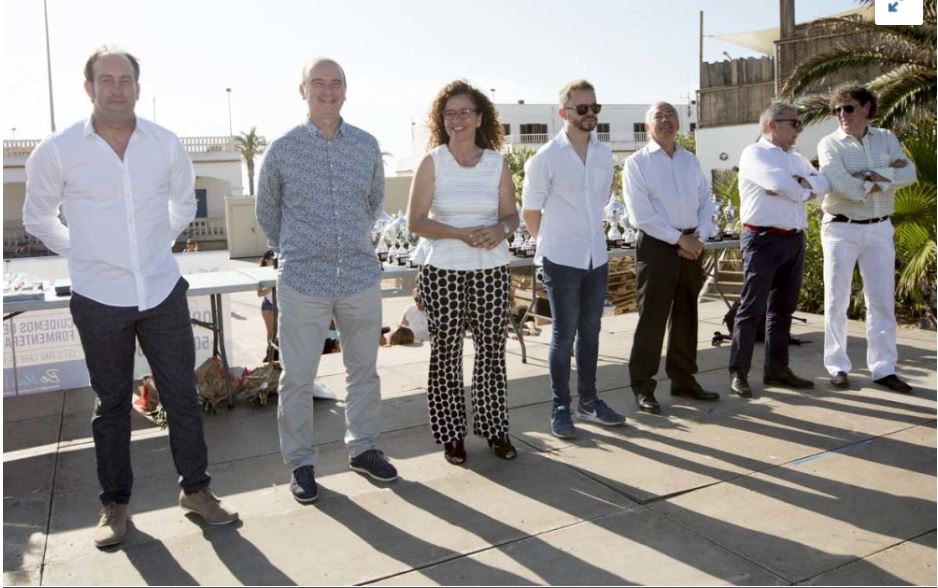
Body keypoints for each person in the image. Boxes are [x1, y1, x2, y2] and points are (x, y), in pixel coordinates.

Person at [22, 47, 238, 548]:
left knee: (182, 396)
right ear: (89, 88)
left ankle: (196, 491)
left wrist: (154, 245)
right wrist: (83, 251)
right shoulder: (57, 150)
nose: (117, 88)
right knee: (112, 405)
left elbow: (183, 203)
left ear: (138, 87)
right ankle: (115, 505)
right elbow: (37, 217)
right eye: (107, 79)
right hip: (98, 297)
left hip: (161, 290)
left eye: (126, 79)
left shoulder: (164, 144)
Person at [256, 57, 397, 504]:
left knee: (364, 371)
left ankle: (364, 448)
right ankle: (301, 462)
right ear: (303, 91)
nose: (327, 90)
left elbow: (373, 203)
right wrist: (299, 249)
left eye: (336, 83)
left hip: (358, 275)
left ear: (346, 90)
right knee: (298, 378)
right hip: (302, 279)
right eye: (318, 82)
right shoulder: (282, 150)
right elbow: (267, 213)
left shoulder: (366, 146)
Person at [408, 80, 519, 464]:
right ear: (442, 120)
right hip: (442, 271)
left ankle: (495, 429)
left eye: (465, 112)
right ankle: (452, 434)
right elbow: (415, 222)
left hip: (491, 271)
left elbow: (511, 216)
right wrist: (459, 234)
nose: (457, 119)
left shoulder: (497, 164)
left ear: (480, 118)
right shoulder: (432, 163)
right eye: (450, 113)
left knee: (492, 352)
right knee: (446, 354)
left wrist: (500, 230)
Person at [522, 79, 625, 438]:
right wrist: (549, 246)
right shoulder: (545, 158)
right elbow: (530, 212)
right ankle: (561, 406)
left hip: (596, 257)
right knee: (563, 335)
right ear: (563, 112)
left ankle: (589, 402)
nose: (590, 114)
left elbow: (601, 202)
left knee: (591, 332)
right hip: (561, 259)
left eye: (595, 107)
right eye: (582, 108)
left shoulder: (604, 154)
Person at [817, 83, 917, 393]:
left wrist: (868, 176)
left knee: (882, 301)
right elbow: (841, 185)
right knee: (837, 300)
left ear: (866, 108)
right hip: (841, 229)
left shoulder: (886, 138)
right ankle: (837, 366)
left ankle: (884, 368)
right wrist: (885, 175)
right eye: (837, 110)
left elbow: (910, 173)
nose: (842, 114)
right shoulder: (829, 144)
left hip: (880, 228)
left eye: (848, 108)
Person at [730, 101, 831, 398]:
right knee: (751, 309)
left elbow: (825, 182)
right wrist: (802, 188)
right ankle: (739, 373)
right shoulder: (754, 154)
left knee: (783, 309)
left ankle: (777, 369)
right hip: (762, 240)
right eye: (794, 123)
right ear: (772, 125)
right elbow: (777, 182)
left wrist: (799, 185)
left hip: (793, 239)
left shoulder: (796, 158)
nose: (799, 129)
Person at [622, 102, 718, 414]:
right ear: (647, 127)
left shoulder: (690, 160)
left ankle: (684, 379)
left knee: (687, 316)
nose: (666, 120)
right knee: (652, 319)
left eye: (671, 115)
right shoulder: (637, 163)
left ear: (679, 122)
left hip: (692, 244)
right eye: (658, 117)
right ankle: (643, 386)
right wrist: (680, 239)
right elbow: (640, 215)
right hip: (658, 246)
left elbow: (706, 201)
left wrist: (699, 237)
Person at [258, 250, 276, 360]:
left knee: (285, 331)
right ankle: (270, 354)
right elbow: (259, 294)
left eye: (275, 259)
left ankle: (280, 354)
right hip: (268, 306)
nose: (274, 261)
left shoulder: (279, 271)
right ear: (266, 260)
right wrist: (272, 287)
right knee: (271, 332)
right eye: (272, 259)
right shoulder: (261, 273)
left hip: (282, 305)